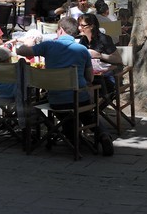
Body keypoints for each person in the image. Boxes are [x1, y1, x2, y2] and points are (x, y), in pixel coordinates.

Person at [16, 15, 105, 154]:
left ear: (61, 30)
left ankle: (74, 139)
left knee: (65, 113)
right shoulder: (82, 50)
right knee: (86, 113)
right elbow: (90, 78)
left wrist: (28, 42)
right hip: (79, 98)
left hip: (57, 99)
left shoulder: (48, 46)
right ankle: (102, 135)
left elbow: (20, 51)